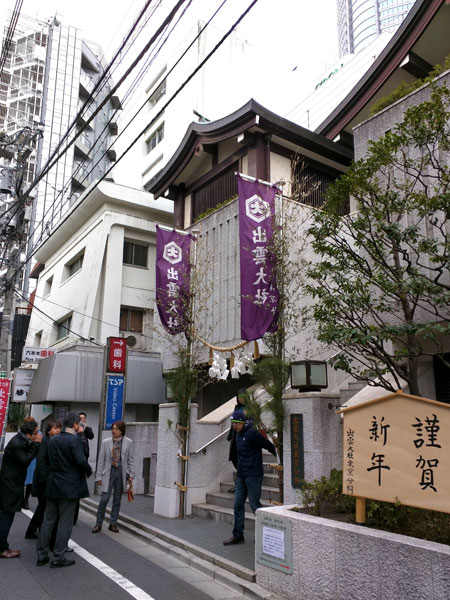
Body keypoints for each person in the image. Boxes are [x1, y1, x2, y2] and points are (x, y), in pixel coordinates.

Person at [36, 412, 92, 568]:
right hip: (69, 486)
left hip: (53, 483)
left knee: (48, 520)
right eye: (77, 424)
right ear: (74, 425)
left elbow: (45, 461)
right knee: (65, 522)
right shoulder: (74, 441)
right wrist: (89, 470)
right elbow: (81, 461)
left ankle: (41, 554)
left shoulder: (52, 440)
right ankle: (58, 556)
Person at [223, 408, 276, 546]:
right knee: (237, 505)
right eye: (233, 423)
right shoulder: (238, 434)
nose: (234, 425)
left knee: (254, 505)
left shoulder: (252, 433)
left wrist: (280, 457)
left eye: (236, 423)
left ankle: (263, 534)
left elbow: (268, 445)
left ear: (243, 423)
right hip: (241, 476)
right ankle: (238, 535)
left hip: (253, 475)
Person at [0, 420, 42, 558]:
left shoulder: (21, 439)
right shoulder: (17, 443)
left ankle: (3, 546)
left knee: (7, 515)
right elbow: (25, 460)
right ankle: (2, 548)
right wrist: (36, 445)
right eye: (36, 433)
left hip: (12, 482)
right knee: (7, 515)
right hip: (10, 484)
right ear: (29, 435)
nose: (38, 435)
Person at [92, 420, 134, 534]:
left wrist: (131, 474)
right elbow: (101, 460)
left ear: (122, 431)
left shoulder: (128, 442)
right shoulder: (106, 442)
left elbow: (130, 459)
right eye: (113, 429)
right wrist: (98, 476)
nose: (114, 431)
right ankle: (98, 523)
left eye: (116, 429)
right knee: (104, 499)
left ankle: (113, 523)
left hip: (121, 473)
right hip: (108, 472)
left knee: (117, 500)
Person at [24, 420, 61, 540]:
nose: (58, 430)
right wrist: (45, 479)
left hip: (45, 479)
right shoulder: (45, 441)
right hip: (43, 480)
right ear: (49, 430)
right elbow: (41, 461)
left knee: (43, 507)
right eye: (55, 428)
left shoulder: (52, 441)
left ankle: (33, 530)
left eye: (59, 428)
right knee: (43, 507)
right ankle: (33, 531)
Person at [73, 411, 94, 525]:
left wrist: (85, 429)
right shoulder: (74, 431)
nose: (82, 420)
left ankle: (73, 518)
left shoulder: (86, 428)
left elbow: (91, 436)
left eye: (83, 418)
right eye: (80, 418)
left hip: (83, 460)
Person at [226, 388, 248, 493]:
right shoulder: (237, 407)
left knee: (241, 461)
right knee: (234, 458)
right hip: (235, 436)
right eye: (239, 398)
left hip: (244, 436)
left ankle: (239, 485)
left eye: (243, 397)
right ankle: (241, 483)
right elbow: (233, 422)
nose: (241, 399)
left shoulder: (250, 408)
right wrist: (230, 435)